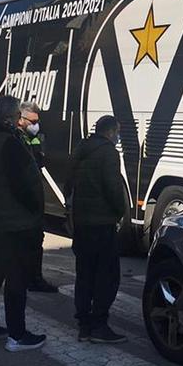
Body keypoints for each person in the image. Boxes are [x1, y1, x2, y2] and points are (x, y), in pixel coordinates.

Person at [0, 95, 47, 352]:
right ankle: (17, 334)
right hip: (16, 221)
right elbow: (23, 183)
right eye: (17, 115)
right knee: (17, 277)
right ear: (8, 117)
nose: (20, 119)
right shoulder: (9, 143)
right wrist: (35, 208)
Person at [67, 115, 127, 344]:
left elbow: (69, 182)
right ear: (111, 132)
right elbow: (113, 187)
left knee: (84, 274)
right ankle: (99, 324)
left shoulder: (82, 147)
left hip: (82, 222)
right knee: (107, 276)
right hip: (102, 223)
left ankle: (84, 324)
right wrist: (119, 211)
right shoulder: (109, 152)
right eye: (118, 132)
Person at [16, 101, 58, 294]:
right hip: (23, 204)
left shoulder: (30, 138)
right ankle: (26, 279)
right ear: (21, 119)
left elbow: (38, 161)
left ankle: (33, 278)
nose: (36, 125)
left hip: (33, 202)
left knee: (35, 242)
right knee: (25, 244)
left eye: (37, 121)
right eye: (32, 121)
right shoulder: (16, 140)